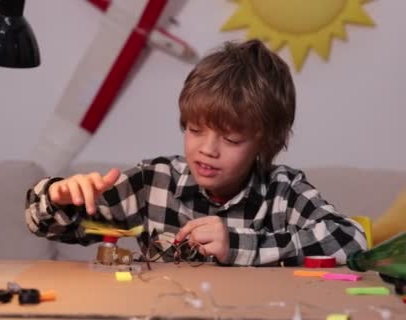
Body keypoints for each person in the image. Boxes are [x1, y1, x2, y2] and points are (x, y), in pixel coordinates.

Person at [24, 39, 367, 266]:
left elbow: (352, 241)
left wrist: (238, 245)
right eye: (195, 129)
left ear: (265, 142)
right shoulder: (154, 182)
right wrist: (56, 197)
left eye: (231, 139)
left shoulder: (282, 191)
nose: (207, 149)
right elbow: (48, 225)